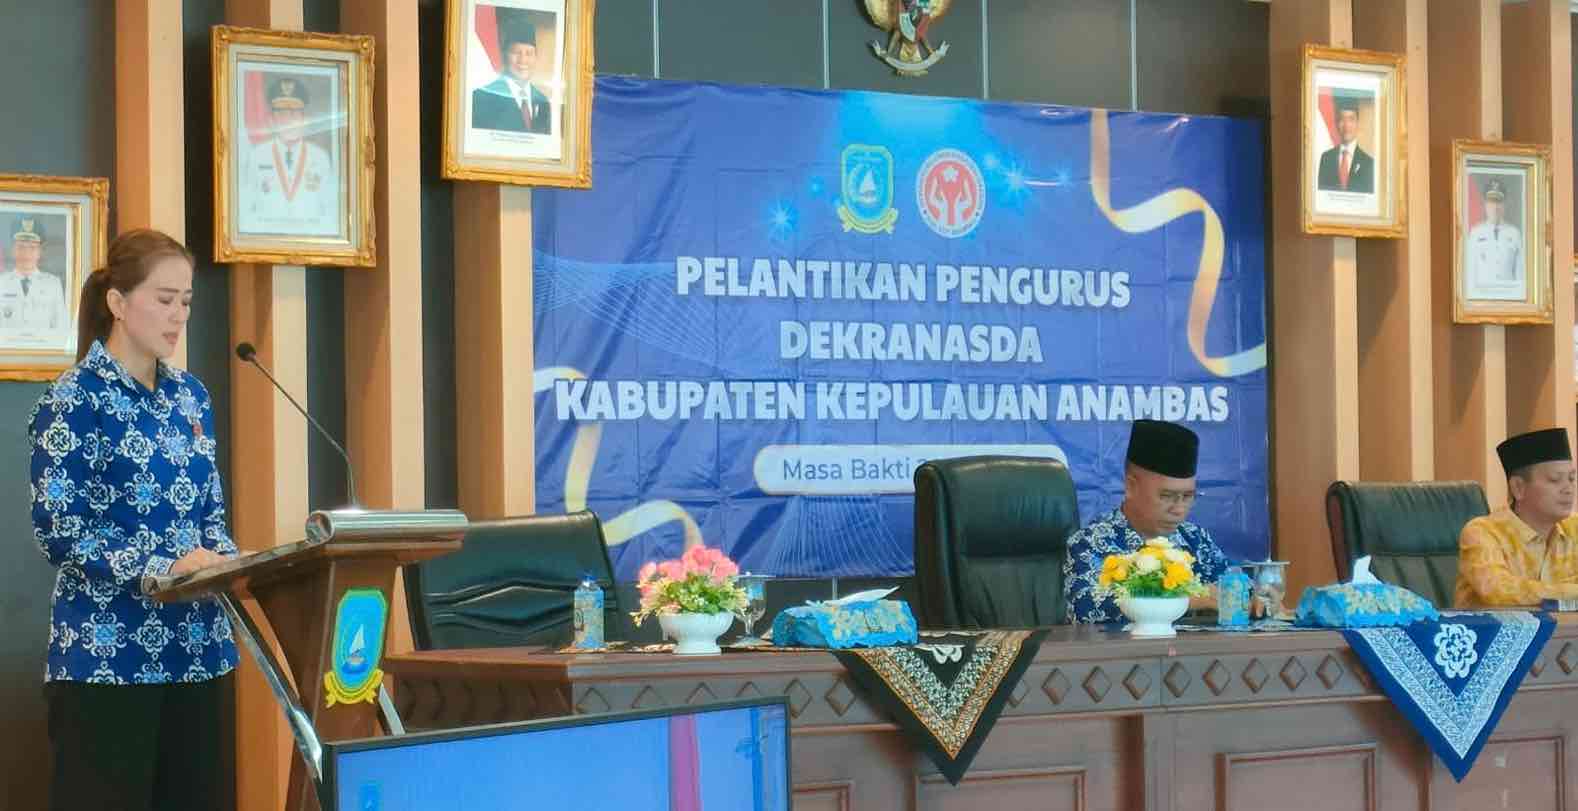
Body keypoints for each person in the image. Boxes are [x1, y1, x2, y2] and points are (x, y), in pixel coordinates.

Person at [30, 228, 237, 810]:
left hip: (197, 650)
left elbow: (210, 514)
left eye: (187, 301)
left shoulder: (191, 397)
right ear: (118, 304)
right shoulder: (73, 400)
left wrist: (229, 561)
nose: (179, 316)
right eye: (164, 299)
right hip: (107, 658)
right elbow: (60, 530)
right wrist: (161, 568)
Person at [1064, 419, 1232, 624]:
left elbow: (1233, 586)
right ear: (1130, 486)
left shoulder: (1195, 539)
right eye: (1167, 496)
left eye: (1187, 497)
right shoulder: (1091, 543)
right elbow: (1085, 609)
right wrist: (1186, 600)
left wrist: (1256, 598)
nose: (1179, 509)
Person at [1455, 427, 1578, 607]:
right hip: (1493, 626)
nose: (1568, 489)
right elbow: (1499, 591)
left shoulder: (1574, 529)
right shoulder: (1482, 533)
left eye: (1571, 479)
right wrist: (1571, 592)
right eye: (1554, 480)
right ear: (1518, 488)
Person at [241, 75, 338, 236]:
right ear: (272, 121)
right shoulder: (257, 156)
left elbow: (331, 212)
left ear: (305, 120)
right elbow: (245, 210)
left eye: (294, 114)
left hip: (310, 241)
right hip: (266, 240)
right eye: (282, 114)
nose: (288, 121)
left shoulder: (320, 158)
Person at [470, 19, 551, 134]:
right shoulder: (480, 98)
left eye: (529, 53)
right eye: (516, 52)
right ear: (504, 55)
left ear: (536, 57)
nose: (523, 60)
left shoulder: (543, 102)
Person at [0, 217, 69, 332]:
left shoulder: (53, 284)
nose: (26, 253)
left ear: (40, 252)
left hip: (46, 344)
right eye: (21, 247)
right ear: (13, 250)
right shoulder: (2, 282)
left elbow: (60, 328)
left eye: (32, 248)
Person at [1465, 179, 1523, 287]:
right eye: (1491, 202)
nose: (1495, 207)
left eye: (1499, 202)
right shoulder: (1475, 233)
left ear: (1504, 205)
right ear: (1485, 205)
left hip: (1509, 294)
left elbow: (1520, 275)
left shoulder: (1515, 234)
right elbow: (1470, 273)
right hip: (1482, 294)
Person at [1316, 97, 1374, 193]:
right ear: (1337, 123)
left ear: (1357, 123)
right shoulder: (1326, 158)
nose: (1346, 125)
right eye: (1342, 119)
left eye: (1351, 119)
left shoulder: (1368, 163)